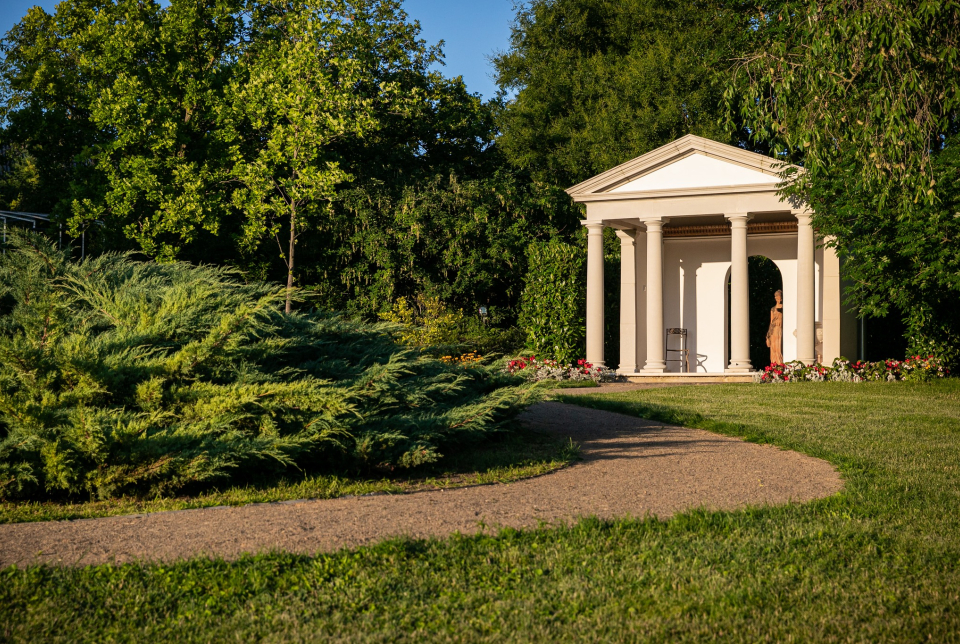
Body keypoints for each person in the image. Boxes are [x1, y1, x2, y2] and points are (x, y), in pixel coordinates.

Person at [766, 290, 784, 364]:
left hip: (779, 328)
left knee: (778, 347)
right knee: (773, 348)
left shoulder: (783, 307)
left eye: (779, 296)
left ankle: (780, 363)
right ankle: (774, 364)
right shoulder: (773, 309)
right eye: (776, 297)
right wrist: (768, 335)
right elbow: (771, 322)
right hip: (773, 329)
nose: (777, 298)